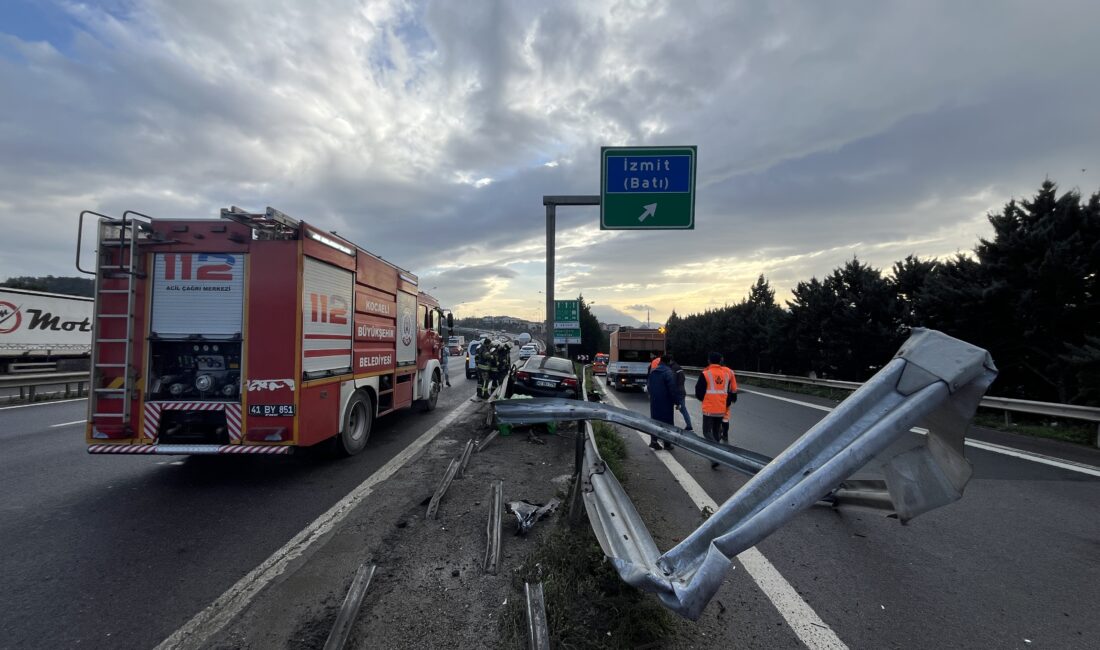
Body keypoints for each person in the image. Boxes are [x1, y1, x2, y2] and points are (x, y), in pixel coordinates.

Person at [694, 351, 737, 468]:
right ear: (720, 361)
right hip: (721, 408)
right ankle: (715, 457)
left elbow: (698, 392)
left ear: (709, 361)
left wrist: (706, 399)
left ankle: (716, 455)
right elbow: (730, 390)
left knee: (706, 432)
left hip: (709, 408)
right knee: (716, 432)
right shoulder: (726, 374)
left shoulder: (706, 373)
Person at [646, 356, 677, 451]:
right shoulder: (668, 372)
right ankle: (667, 443)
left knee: (655, 421)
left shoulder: (653, 371)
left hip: (655, 401)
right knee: (667, 422)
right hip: (666, 402)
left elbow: (649, 386)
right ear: (668, 362)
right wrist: (677, 401)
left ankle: (654, 441)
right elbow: (672, 389)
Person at [664, 352, 693, 433]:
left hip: (676, 392)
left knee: (674, 409)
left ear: (670, 360)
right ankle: (689, 425)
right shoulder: (678, 367)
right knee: (683, 409)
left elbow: (672, 381)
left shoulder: (673, 368)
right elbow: (682, 379)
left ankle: (670, 426)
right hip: (681, 391)